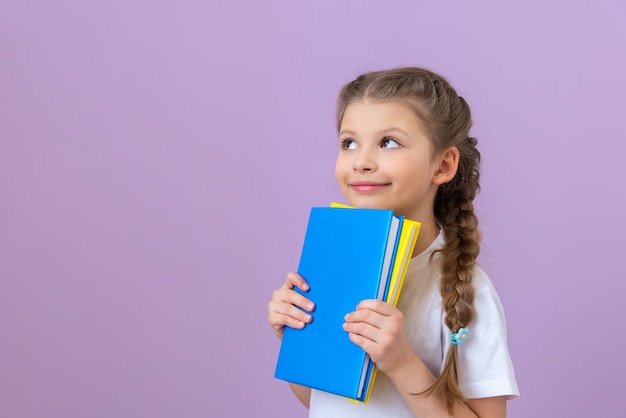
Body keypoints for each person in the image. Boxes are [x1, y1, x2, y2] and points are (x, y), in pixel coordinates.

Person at [267, 67, 519, 417]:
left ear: (443, 165)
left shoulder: (465, 290)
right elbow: (322, 401)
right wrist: (295, 337)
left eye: (389, 142)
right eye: (349, 143)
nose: (362, 162)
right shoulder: (334, 265)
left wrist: (401, 362)